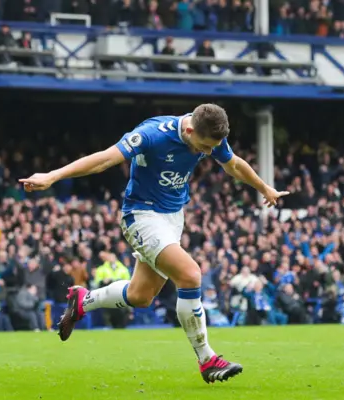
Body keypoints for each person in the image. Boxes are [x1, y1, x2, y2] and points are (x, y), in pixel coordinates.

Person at [19, 103, 289, 384]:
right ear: (189, 129)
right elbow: (105, 159)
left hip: (173, 218)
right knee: (190, 274)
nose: (208, 153)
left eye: (213, 147)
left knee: (140, 296)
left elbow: (233, 164)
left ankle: (83, 301)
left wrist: (264, 187)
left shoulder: (210, 135)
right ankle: (207, 359)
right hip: (142, 215)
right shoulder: (152, 134)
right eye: (204, 146)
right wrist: (53, 176)